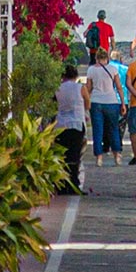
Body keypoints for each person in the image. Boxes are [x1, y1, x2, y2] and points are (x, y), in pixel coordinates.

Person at [85, 49, 126, 167]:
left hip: (96, 102)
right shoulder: (113, 69)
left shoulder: (91, 70)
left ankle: (99, 158)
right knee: (113, 129)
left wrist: (86, 102)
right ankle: (117, 155)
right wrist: (122, 103)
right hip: (111, 101)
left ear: (96, 58)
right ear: (107, 58)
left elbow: (88, 88)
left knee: (98, 131)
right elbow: (119, 87)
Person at [53, 62, 90, 193]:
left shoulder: (57, 88)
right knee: (75, 156)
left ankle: (62, 185)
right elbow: (88, 104)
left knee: (63, 156)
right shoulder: (80, 88)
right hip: (76, 125)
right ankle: (74, 184)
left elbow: (53, 106)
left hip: (60, 125)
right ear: (75, 75)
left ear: (63, 76)